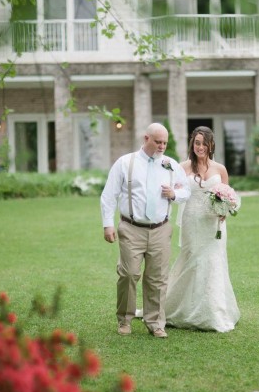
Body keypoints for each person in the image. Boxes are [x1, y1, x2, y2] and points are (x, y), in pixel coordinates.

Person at [101, 123, 190, 337]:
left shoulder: (170, 164)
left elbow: (186, 189)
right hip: (131, 227)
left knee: (157, 277)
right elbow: (109, 195)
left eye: (165, 143)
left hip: (161, 228)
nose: (162, 146)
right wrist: (108, 223)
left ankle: (155, 322)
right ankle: (124, 319)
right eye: (158, 142)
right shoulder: (126, 163)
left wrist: (175, 195)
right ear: (146, 139)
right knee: (129, 274)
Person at [165, 126, 240, 332]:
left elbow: (227, 193)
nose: (200, 147)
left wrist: (226, 207)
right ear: (192, 144)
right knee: (192, 260)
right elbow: (173, 188)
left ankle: (214, 312)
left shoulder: (220, 169)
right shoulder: (183, 167)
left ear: (211, 145)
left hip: (214, 224)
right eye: (197, 143)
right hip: (192, 221)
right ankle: (179, 307)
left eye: (204, 143)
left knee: (214, 261)